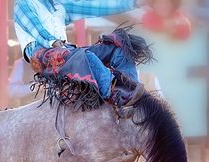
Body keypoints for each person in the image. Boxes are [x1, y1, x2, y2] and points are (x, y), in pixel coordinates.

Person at [13, 0, 162, 108]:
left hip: (65, 52)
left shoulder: (58, 6)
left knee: (119, 47)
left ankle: (131, 89)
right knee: (83, 56)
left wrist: (134, 2)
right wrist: (53, 42)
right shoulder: (23, 4)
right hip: (42, 56)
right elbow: (36, 29)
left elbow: (96, 6)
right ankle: (114, 95)